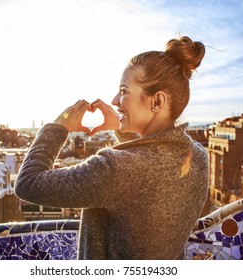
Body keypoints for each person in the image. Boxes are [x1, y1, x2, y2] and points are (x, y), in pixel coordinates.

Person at [15, 35, 209, 260]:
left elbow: (28, 183)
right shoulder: (198, 157)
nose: (115, 100)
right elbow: (145, 181)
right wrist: (123, 129)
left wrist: (58, 127)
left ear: (157, 101)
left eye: (124, 91)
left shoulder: (115, 168)